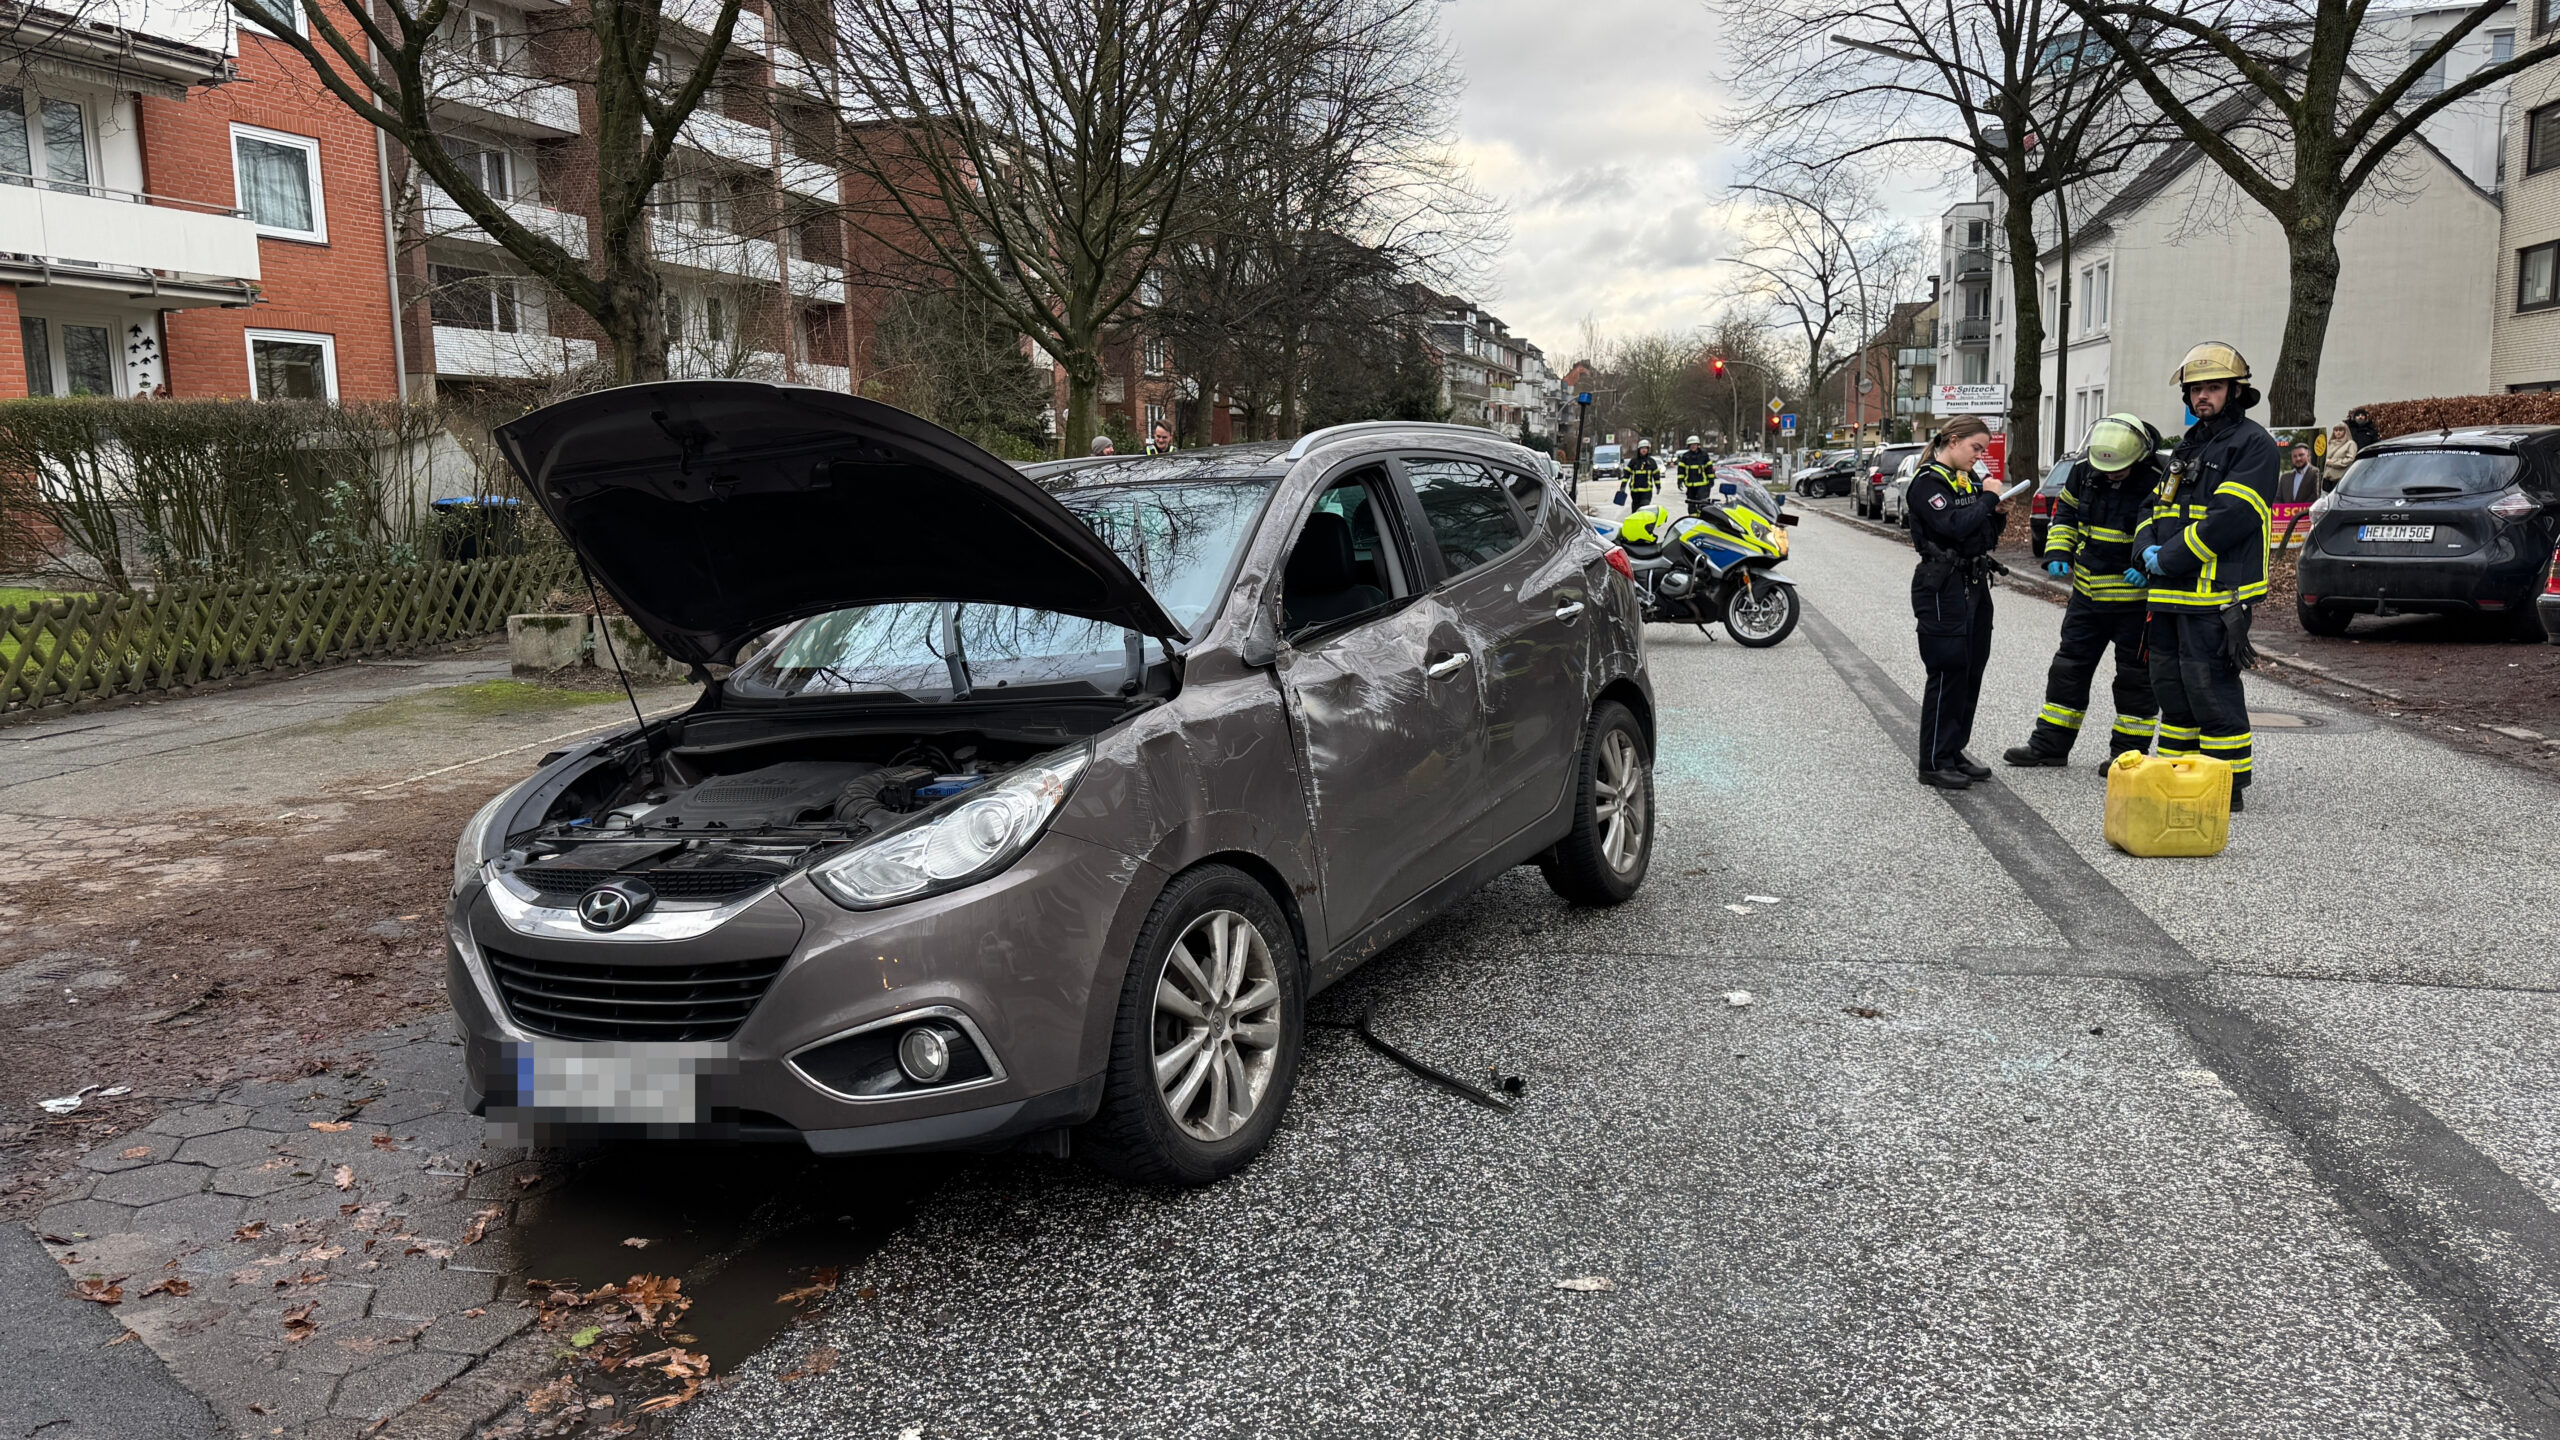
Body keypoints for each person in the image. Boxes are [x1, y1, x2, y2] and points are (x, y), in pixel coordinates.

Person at [2136, 341, 2279, 811]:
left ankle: (2225, 784)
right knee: (2169, 685)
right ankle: (2180, 771)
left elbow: (2232, 516)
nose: (2203, 397)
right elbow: (2151, 506)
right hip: (2170, 591)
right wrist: (2144, 551)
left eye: (2213, 388)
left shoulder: (2253, 444)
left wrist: (2171, 557)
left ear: (2235, 391)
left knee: (2209, 684)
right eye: (2196, 389)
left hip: (2218, 590)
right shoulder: (2189, 445)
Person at [2003, 413, 2163, 770]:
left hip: (2134, 606)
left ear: (2137, 458)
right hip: (2087, 597)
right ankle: (2049, 746)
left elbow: (2162, 529)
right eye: (2106, 469)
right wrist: (2057, 551)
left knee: (2134, 683)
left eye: (2118, 470)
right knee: (2067, 672)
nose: (2110, 476)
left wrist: (2145, 569)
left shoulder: (2157, 481)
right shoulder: (2084, 471)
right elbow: (2066, 516)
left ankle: (2127, 757)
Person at [1906, 415, 2009, 789]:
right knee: (1948, 670)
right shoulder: (1927, 483)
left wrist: (1994, 513)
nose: (1979, 456)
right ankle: (1933, 761)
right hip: (1942, 586)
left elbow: (1980, 532)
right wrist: (1987, 500)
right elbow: (1951, 524)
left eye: (1983, 449)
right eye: (1975, 447)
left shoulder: (1965, 480)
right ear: (1952, 440)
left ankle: (1953, 750)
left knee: (1971, 671)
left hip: (1974, 581)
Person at [1676, 435, 1717, 514]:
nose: (1693, 446)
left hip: (1703, 485)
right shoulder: (1685, 457)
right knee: (1691, 505)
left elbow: (1709, 469)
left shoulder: (1704, 455)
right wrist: (1680, 480)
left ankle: (1702, 520)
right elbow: (1681, 470)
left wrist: (1711, 479)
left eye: (1695, 445)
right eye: (1691, 445)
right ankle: (1693, 520)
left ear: (1698, 445)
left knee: (1702, 504)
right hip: (1690, 485)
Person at [1623, 441, 1662, 510]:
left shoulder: (1651, 462)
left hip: (1647, 491)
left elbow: (1656, 476)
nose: (1644, 450)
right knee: (1635, 510)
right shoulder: (1633, 461)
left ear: (1648, 449)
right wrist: (1623, 486)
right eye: (1642, 448)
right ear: (1639, 449)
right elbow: (1626, 475)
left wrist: (1658, 487)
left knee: (1644, 508)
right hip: (1635, 491)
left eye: (1645, 448)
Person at [2322, 422, 2358, 490]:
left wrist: (2332, 462)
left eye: (2341, 430)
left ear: (2345, 431)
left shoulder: (2350, 444)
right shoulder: (2330, 443)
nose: (2338, 432)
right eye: (2336, 430)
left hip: (2339, 479)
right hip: (2327, 479)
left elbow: (2350, 459)